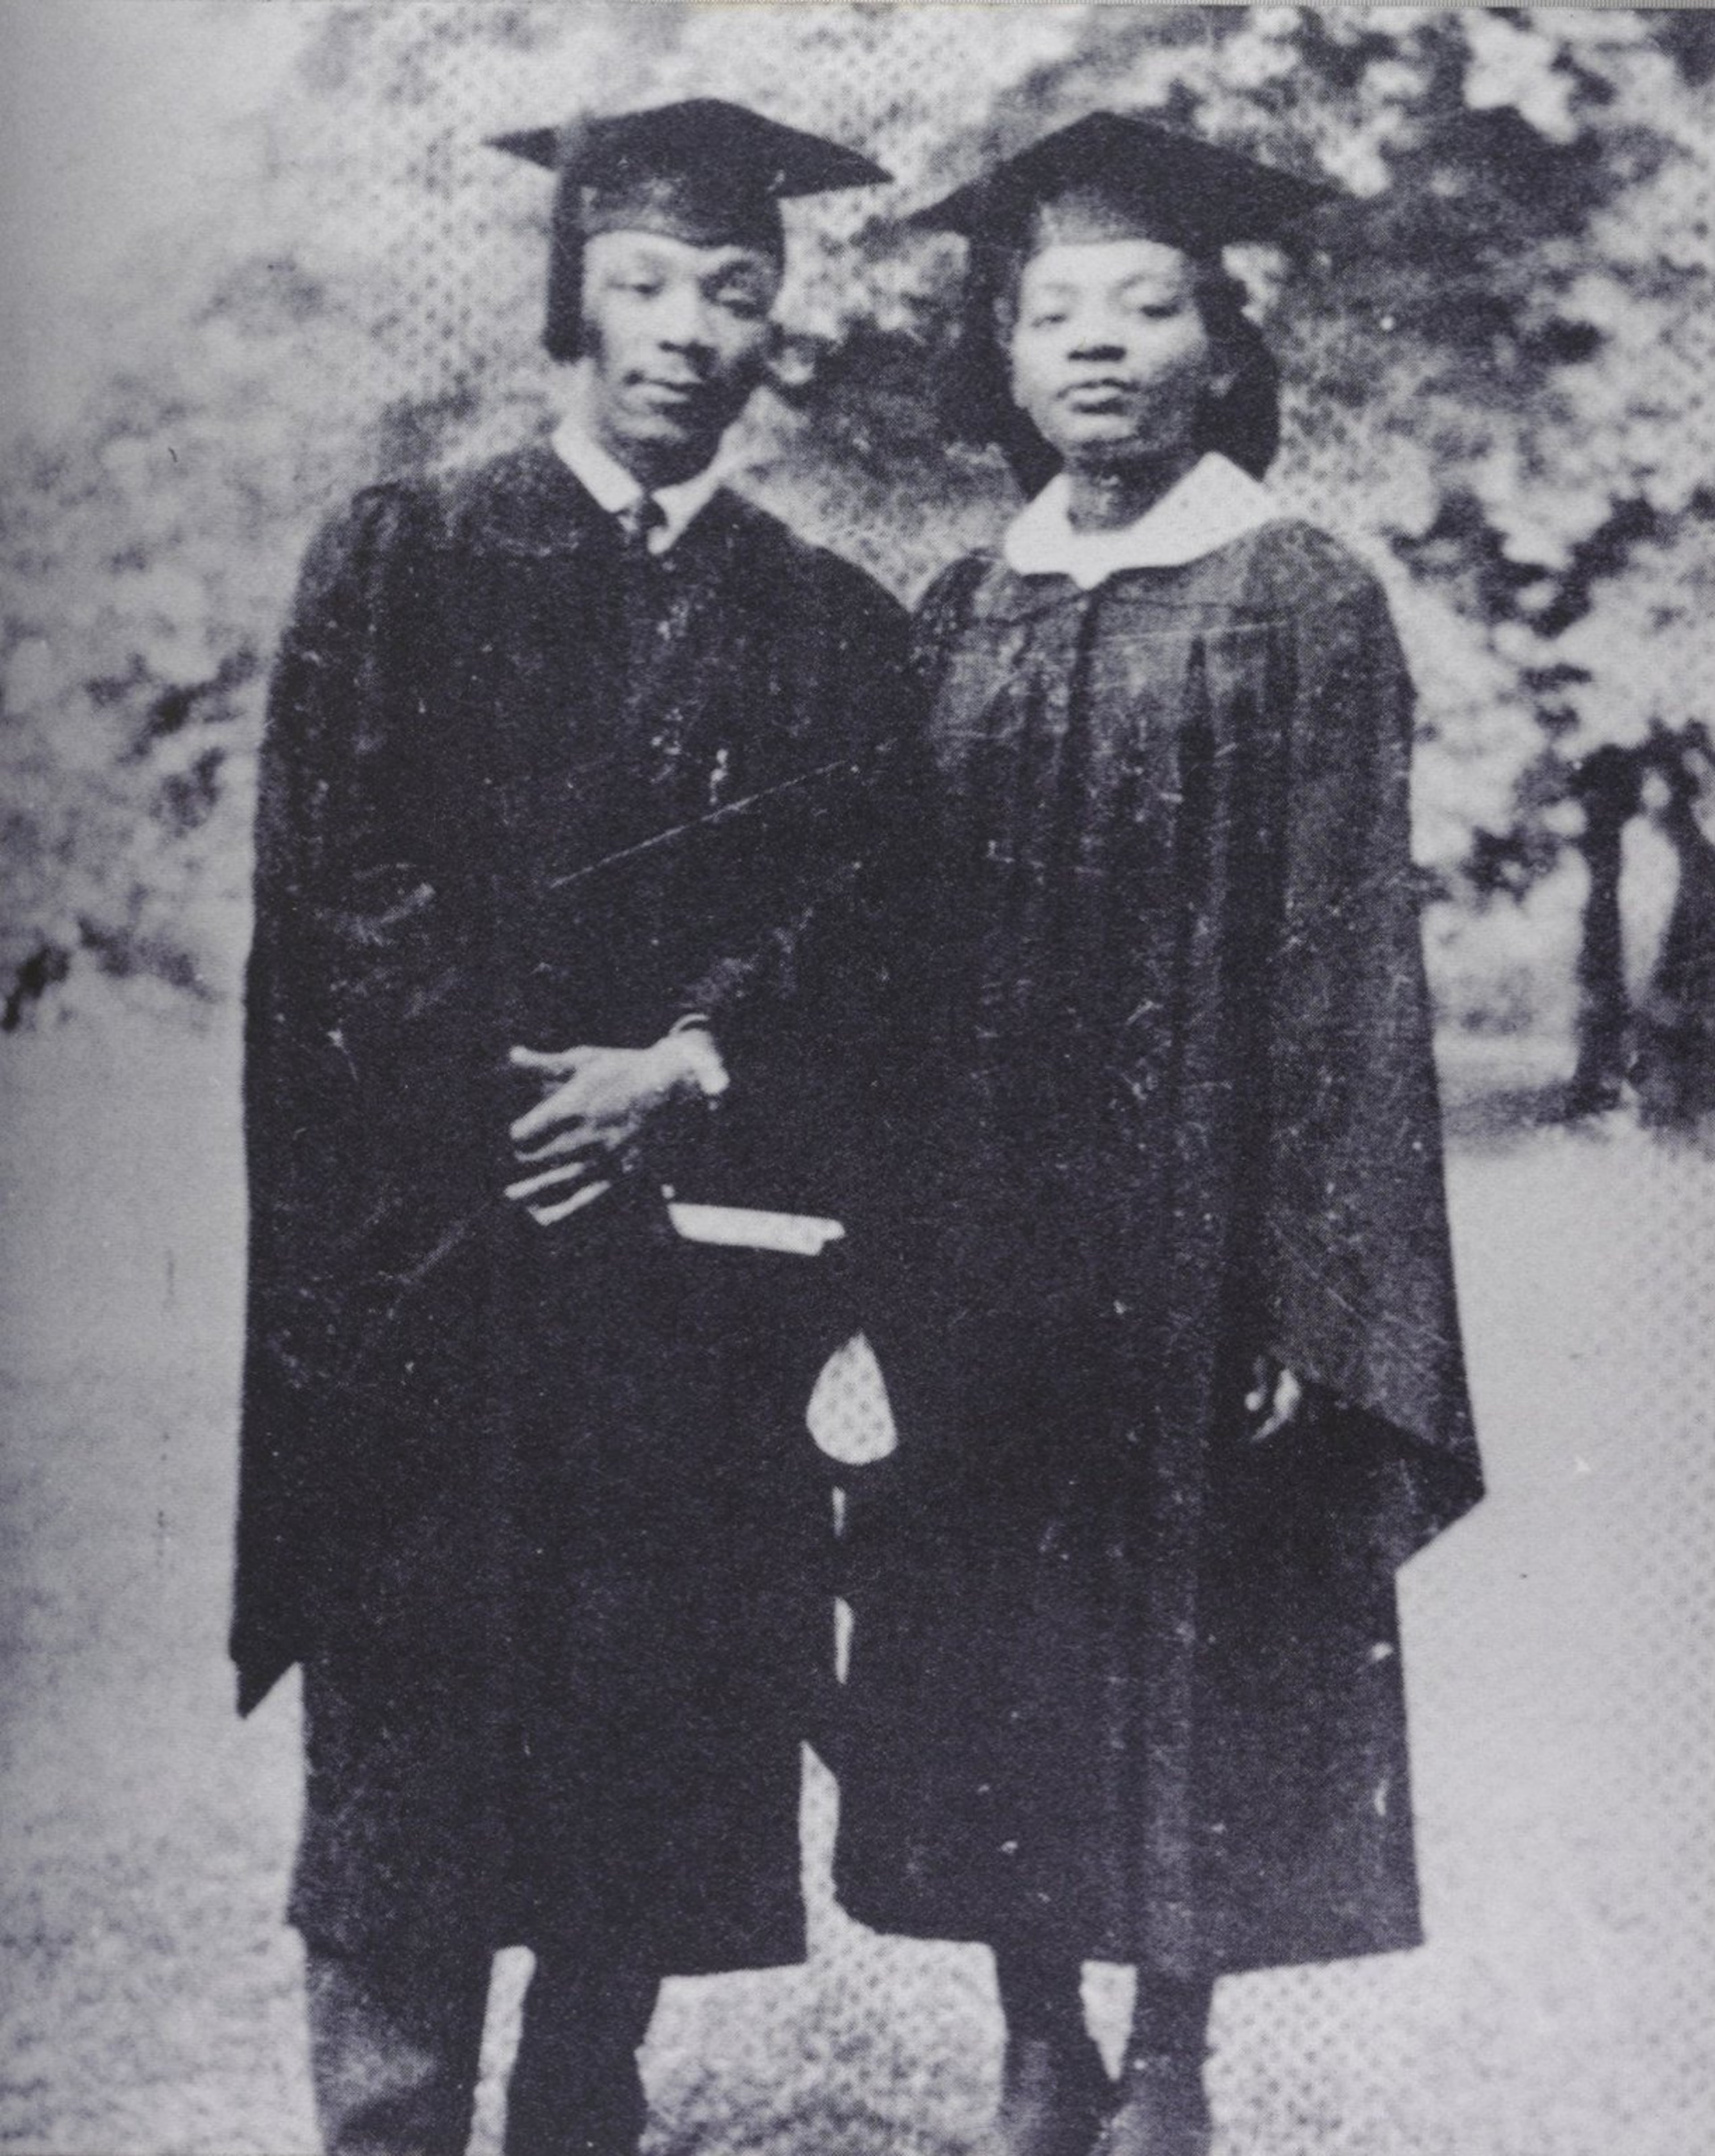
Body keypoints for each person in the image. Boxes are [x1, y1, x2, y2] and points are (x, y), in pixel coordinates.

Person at [234, 99, 908, 2156]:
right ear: (571, 300)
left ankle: (584, 2115)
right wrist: (531, 1110)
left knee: (642, 1759)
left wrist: (682, 1075)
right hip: (438, 1275)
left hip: (685, 1299)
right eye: (643, 283)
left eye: (734, 287)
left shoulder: (833, 621)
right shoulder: (409, 551)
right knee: (420, 1762)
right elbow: (335, 893)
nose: (689, 329)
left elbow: (862, 927)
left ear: (777, 320)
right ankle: (389, 2121)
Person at [835, 113, 1486, 2156]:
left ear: (1221, 337)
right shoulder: (955, 605)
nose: (1100, 346)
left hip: (1208, 1230)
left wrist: (1323, 1267)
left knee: (1199, 1628)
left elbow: (1352, 961)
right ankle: (1041, 2034)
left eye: (1149, 304)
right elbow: (878, 952)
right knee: (995, 1620)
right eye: (1053, 313)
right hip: (983, 1238)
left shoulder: (1299, 593)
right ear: (1001, 357)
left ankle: (1178, 2049)